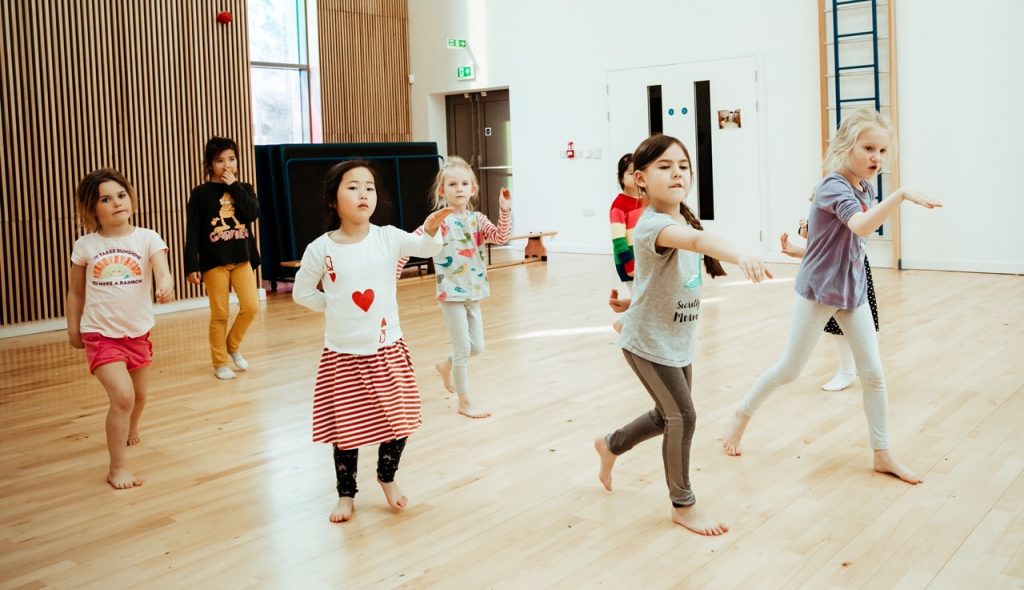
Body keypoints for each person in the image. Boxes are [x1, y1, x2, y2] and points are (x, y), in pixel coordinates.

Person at [721, 108, 942, 485]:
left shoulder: (864, 188)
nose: (877, 158)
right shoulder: (834, 186)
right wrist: (902, 195)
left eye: (883, 151)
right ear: (846, 146)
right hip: (819, 291)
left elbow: (839, 243)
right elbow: (859, 226)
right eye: (869, 148)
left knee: (873, 375)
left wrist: (802, 250)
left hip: (851, 291)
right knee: (789, 370)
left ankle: (882, 453)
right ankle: (740, 416)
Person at [594, 134, 771, 535]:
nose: (676, 172)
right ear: (639, 178)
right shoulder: (652, 224)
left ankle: (611, 444)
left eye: (683, 166)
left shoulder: (680, 218)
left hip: (675, 337)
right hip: (648, 342)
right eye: (664, 166)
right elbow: (696, 241)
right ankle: (683, 504)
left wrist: (632, 300)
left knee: (665, 415)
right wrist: (742, 254)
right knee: (684, 416)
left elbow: (656, 274)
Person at [293, 160, 453, 522]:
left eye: (369, 187)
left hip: (387, 349)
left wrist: (430, 231)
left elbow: (427, 249)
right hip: (342, 355)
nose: (363, 193)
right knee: (345, 431)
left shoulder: (389, 236)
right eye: (352, 186)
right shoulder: (322, 249)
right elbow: (302, 293)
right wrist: (332, 307)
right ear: (333, 199)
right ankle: (346, 494)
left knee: (402, 419)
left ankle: (387, 477)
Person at [66, 168, 174, 489]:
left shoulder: (147, 237)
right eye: (105, 199)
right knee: (123, 397)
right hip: (100, 335)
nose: (116, 203)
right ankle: (117, 468)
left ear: (131, 198)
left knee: (139, 397)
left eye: (121, 195)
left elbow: (162, 270)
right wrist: (74, 328)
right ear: (91, 209)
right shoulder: (86, 245)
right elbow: (75, 292)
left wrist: (165, 284)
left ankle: (129, 427)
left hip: (137, 333)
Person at [397, 156, 511, 419]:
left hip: (474, 291)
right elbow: (409, 245)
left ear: (473, 189)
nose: (459, 188)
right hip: (451, 292)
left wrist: (504, 210)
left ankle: (444, 365)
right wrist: (394, 275)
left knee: (477, 347)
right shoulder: (438, 221)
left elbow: (501, 237)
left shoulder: (478, 220)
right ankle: (465, 401)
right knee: (463, 349)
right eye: (452, 184)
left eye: (464, 184)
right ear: (442, 190)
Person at [184, 137, 261, 380]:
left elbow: (252, 213)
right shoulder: (200, 194)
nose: (226, 165)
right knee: (220, 314)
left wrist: (235, 186)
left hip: (241, 258)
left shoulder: (244, 188)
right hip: (213, 261)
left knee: (251, 307)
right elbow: (193, 231)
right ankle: (219, 363)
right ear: (209, 164)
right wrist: (191, 265)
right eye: (219, 160)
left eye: (231, 159)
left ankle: (232, 346)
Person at [780, 216, 879, 391]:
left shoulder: (845, 200)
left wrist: (804, 247)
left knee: (853, 325)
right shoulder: (830, 198)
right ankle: (849, 371)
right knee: (837, 326)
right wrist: (806, 231)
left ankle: (852, 372)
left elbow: (841, 242)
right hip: (833, 270)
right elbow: (823, 239)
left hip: (848, 269)